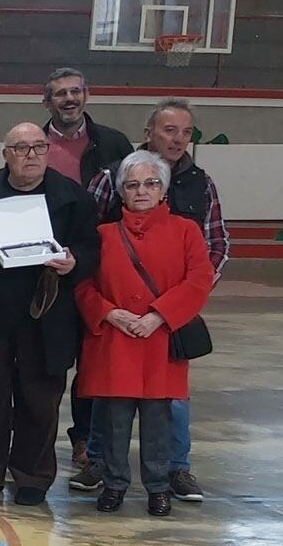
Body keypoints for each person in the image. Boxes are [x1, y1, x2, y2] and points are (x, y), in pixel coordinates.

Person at [74, 99, 228, 499]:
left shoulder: (186, 230)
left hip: (162, 342)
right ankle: (113, 483)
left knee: (161, 422)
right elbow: (83, 284)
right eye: (133, 184)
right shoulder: (103, 234)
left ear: (163, 189)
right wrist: (110, 314)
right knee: (112, 421)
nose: (142, 191)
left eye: (151, 184)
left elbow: (200, 277)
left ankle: (161, 486)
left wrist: (161, 316)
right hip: (114, 341)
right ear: (120, 189)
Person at [0, 123, 99, 505]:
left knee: (40, 400)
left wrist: (74, 262)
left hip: (47, 316)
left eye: (38, 147)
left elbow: (92, 250)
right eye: (21, 148)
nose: (31, 155)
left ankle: (33, 477)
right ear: (6, 154)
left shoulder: (71, 197)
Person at [43, 67, 133, 478]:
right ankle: (40, 442)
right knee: (50, 360)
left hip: (95, 265)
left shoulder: (114, 144)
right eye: (60, 93)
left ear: (87, 95)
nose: (69, 99)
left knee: (94, 363)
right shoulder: (34, 143)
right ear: (48, 101)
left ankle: (85, 441)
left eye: (75, 91)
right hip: (44, 270)